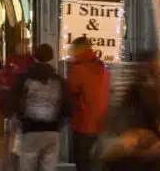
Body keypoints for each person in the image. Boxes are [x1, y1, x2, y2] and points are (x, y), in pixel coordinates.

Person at [12, 44, 69, 171]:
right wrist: (60, 122)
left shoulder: (25, 77)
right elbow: (67, 105)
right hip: (52, 131)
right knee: (49, 166)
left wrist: (19, 119)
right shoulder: (58, 79)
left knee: (27, 164)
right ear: (52, 57)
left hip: (30, 129)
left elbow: (14, 98)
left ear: (35, 57)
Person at [67, 37, 110, 171]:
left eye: (73, 50)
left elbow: (70, 92)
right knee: (96, 162)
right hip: (101, 123)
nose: (71, 53)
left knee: (82, 162)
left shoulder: (78, 69)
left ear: (79, 50)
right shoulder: (102, 68)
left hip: (83, 123)